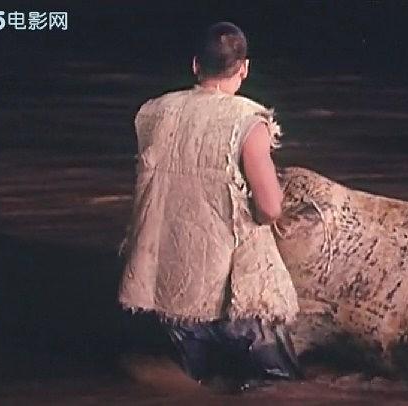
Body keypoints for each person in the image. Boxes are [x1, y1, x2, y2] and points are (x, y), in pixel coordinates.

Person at [116, 21, 302, 391]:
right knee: (280, 388)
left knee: (195, 384)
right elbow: (269, 208)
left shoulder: (153, 112)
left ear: (196, 65)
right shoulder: (248, 120)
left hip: (167, 294)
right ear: (244, 68)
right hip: (232, 298)